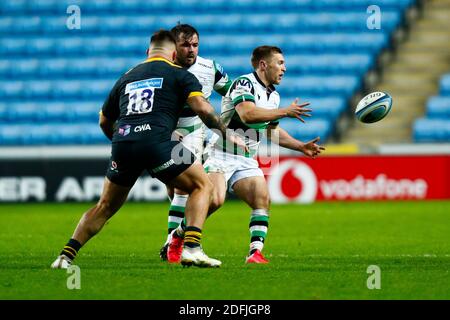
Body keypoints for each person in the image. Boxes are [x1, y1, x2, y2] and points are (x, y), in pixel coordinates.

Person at [50, 30, 245, 269]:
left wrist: (123, 144)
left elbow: (103, 120)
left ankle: (65, 256)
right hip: (159, 143)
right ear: (174, 53)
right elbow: (203, 109)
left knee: (105, 206)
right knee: (202, 185)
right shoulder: (180, 74)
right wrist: (227, 133)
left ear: (147, 52)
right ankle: (192, 248)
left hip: (123, 144)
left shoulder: (126, 77)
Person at [167, 45, 325, 264]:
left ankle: (255, 253)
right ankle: (178, 236)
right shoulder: (244, 83)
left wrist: (300, 146)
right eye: (280, 63)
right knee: (214, 200)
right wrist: (285, 111)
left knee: (262, 198)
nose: (284, 68)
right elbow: (247, 114)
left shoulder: (273, 96)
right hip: (220, 153)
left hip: (245, 158)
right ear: (263, 65)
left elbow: (271, 130)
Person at [159, 24, 232, 262]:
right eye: (185, 45)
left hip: (202, 134)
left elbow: (233, 94)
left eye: (195, 45)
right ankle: (176, 244)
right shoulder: (161, 69)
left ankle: (176, 237)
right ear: (174, 47)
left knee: (216, 198)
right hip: (171, 133)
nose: (191, 50)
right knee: (182, 189)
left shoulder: (210, 68)